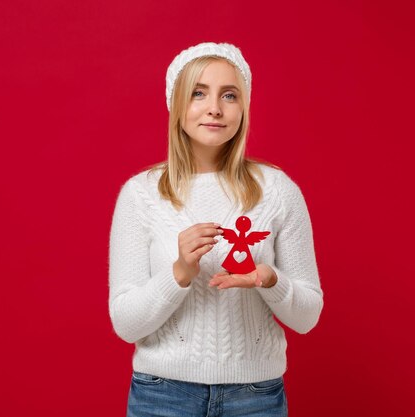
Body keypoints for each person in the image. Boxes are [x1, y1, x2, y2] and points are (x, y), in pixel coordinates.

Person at [108, 42, 324, 417]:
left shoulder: (278, 191)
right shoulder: (141, 194)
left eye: (230, 95)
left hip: (256, 396)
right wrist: (179, 273)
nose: (215, 108)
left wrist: (270, 280)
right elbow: (126, 325)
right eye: (198, 93)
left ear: (244, 106)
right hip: (162, 396)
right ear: (177, 105)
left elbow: (307, 318)